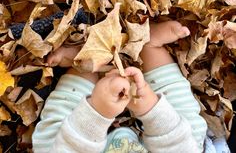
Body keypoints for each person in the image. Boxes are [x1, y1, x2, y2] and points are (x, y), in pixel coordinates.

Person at [32, 21, 220, 153]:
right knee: (191, 134)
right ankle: (148, 47)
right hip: (170, 145)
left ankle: (84, 62)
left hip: (77, 143)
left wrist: (97, 111)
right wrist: (152, 109)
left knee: (49, 143)